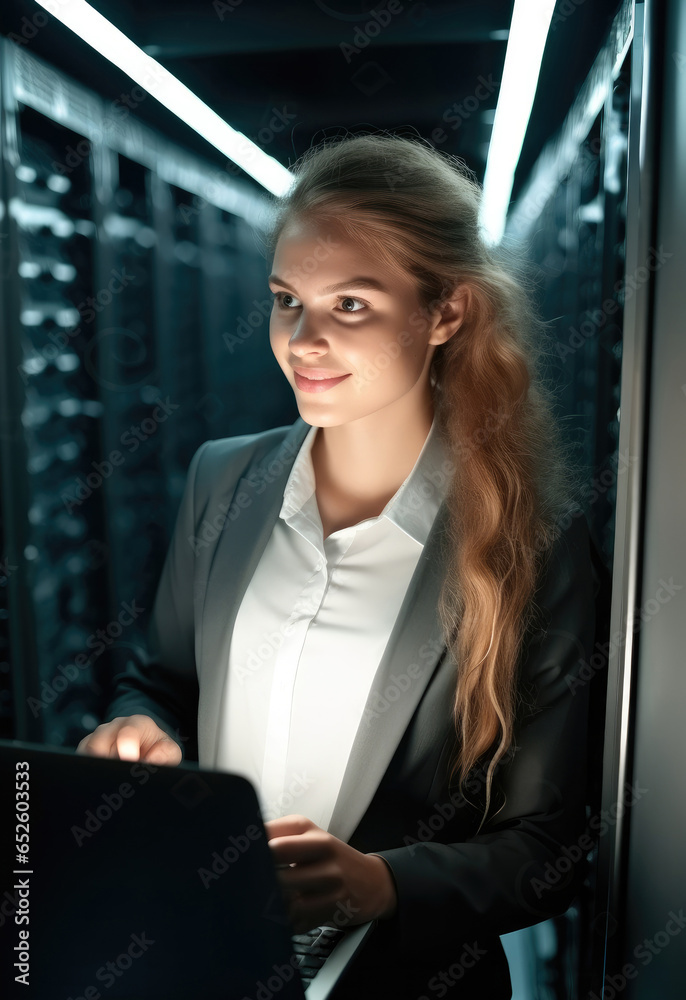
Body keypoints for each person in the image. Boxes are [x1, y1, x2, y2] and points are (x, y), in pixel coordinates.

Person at [77, 132, 598, 999]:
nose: (303, 341)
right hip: (206, 957)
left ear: (447, 314)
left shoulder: (528, 542)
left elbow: (549, 849)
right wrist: (142, 731)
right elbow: (159, 681)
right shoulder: (223, 481)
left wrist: (380, 883)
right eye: (288, 300)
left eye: (350, 305)